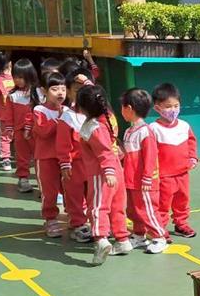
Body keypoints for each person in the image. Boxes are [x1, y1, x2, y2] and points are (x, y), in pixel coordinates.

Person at [76, 84, 131, 265]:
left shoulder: (93, 127)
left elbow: (103, 151)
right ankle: (122, 239)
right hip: (116, 169)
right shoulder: (109, 117)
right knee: (117, 206)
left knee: (98, 207)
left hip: (101, 174)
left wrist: (108, 171)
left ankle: (100, 240)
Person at [120, 88, 168, 254]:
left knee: (147, 210)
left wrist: (147, 177)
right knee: (133, 210)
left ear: (129, 108)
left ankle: (160, 237)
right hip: (131, 180)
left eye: (122, 107)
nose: (121, 111)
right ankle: (139, 235)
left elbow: (150, 156)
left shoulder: (146, 131)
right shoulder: (129, 131)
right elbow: (128, 155)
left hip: (144, 182)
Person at [150, 83, 198, 238]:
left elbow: (191, 142)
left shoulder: (184, 126)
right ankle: (160, 229)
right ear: (157, 108)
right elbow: (150, 152)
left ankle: (181, 224)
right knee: (162, 204)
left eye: (176, 106)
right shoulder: (153, 128)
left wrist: (192, 157)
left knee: (182, 201)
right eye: (168, 106)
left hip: (183, 173)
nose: (173, 110)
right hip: (163, 176)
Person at [32, 72, 69, 237]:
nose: (60, 92)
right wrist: (59, 119)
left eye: (63, 89)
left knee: (70, 187)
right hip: (46, 157)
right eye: (55, 89)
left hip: (65, 157)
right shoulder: (39, 110)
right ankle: (50, 219)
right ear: (44, 91)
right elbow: (43, 131)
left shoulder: (67, 110)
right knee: (49, 191)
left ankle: (76, 217)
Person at [56, 80, 91, 243]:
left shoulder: (96, 113)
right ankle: (78, 224)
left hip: (92, 164)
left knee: (93, 195)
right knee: (74, 196)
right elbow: (62, 143)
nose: (81, 93)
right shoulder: (67, 116)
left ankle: (97, 223)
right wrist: (65, 163)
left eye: (85, 89)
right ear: (69, 92)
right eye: (77, 90)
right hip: (74, 164)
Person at [8, 59, 39, 193]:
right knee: (21, 156)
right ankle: (23, 179)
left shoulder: (39, 93)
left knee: (39, 156)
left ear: (29, 76)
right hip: (19, 131)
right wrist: (9, 128)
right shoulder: (12, 95)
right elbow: (8, 114)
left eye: (21, 77)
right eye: (15, 77)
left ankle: (42, 180)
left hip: (36, 131)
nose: (17, 80)